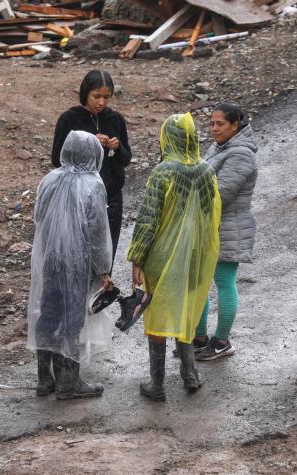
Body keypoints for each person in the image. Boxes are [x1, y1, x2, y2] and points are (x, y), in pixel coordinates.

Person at [127, 113, 221, 402]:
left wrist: (136, 258)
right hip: (194, 255)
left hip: (162, 256)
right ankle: (190, 375)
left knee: (157, 316)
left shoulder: (163, 172)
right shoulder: (206, 170)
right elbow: (211, 213)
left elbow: (148, 220)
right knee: (184, 310)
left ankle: (157, 385)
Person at [27, 131, 114, 400]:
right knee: (72, 317)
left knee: (49, 311)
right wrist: (103, 269)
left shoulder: (50, 179)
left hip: (51, 257)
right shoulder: (93, 185)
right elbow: (98, 231)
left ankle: (45, 379)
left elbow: (39, 216)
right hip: (77, 260)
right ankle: (68, 383)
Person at [193, 103, 258, 361]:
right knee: (199, 283)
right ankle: (199, 337)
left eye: (220, 124)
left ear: (235, 125)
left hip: (229, 228)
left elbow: (220, 192)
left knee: (223, 282)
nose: (214, 128)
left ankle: (221, 341)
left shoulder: (241, 154)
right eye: (211, 123)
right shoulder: (220, 147)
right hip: (209, 227)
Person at [51, 70, 132, 266]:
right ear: (85, 92)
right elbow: (57, 159)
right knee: (80, 252)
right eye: (97, 96)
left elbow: (126, 159)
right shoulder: (70, 120)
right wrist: (88, 143)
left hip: (110, 197)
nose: (102, 103)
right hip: (79, 198)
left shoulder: (115, 119)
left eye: (106, 97)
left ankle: (103, 295)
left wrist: (117, 146)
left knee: (106, 251)